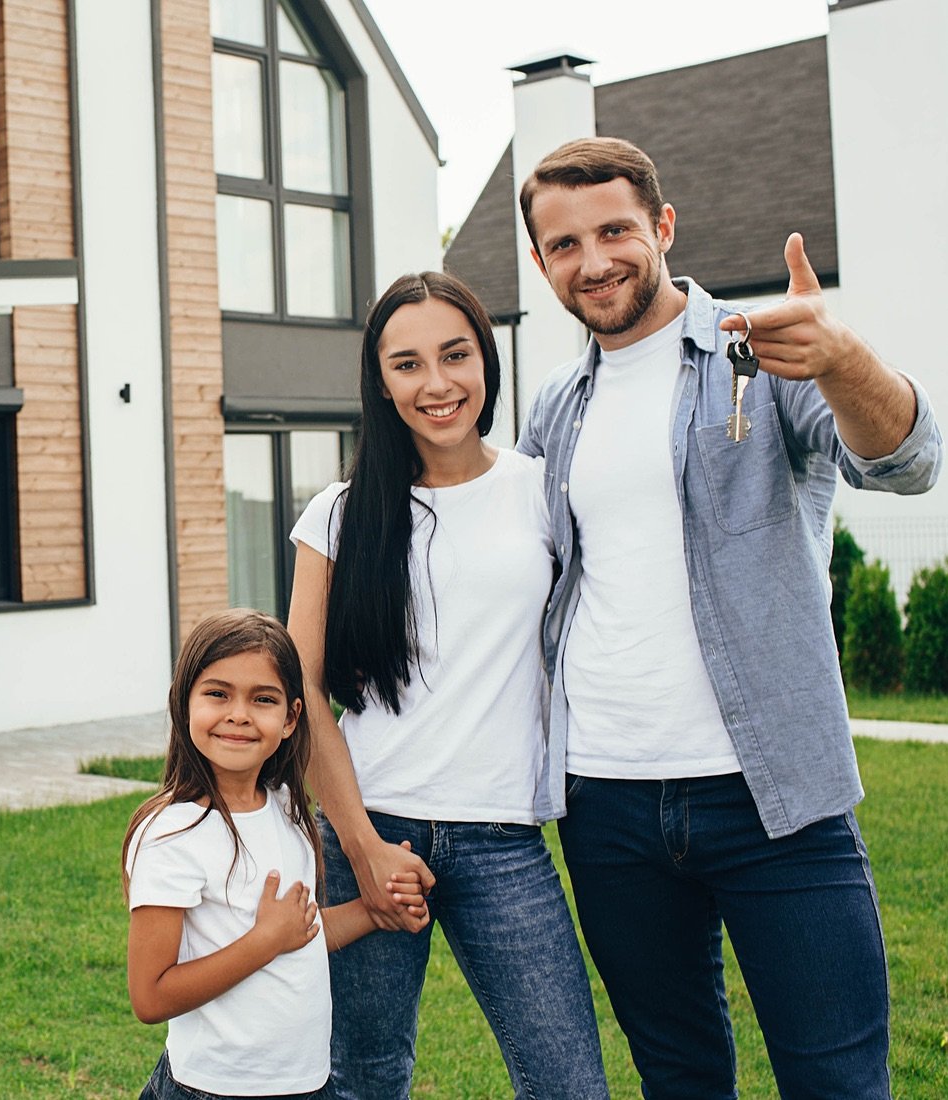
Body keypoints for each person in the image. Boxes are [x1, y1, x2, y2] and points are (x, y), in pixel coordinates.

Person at [516, 136, 943, 1100]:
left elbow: (907, 461)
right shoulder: (554, 410)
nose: (595, 261)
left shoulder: (764, 356)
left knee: (837, 1081)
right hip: (609, 802)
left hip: (775, 798)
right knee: (679, 1077)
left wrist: (843, 360)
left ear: (662, 228)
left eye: (615, 229)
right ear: (541, 264)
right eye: (564, 244)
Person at [286, 272, 609, 1100]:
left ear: (485, 361)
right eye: (407, 364)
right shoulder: (338, 514)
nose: (436, 384)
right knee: (360, 1078)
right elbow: (302, 692)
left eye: (455, 355)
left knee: (569, 1082)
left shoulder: (543, 490)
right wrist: (360, 846)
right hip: (371, 828)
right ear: (380, 380)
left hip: (503, 838)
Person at [123, 609, 428, 1100]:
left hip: (308, 1085)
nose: (239, 714)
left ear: (290, 719)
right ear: (184, 704)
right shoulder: (173, 833)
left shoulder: (287, 810)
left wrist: (375, 910)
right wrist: (265, 941)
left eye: (262, 699)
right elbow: (150, 995)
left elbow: (299, 933)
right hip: (213, 1088)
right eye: (217, 693)